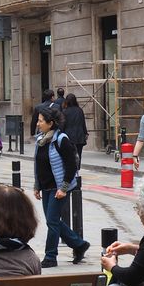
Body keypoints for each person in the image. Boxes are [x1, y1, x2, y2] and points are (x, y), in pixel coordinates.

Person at [33, 107, 90, 268]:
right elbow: (39, 165)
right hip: (46, 187)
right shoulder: (41, 140)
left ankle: (51, 256)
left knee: (52, 221)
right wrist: (37, 185)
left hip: (59, 187)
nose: (38, 124)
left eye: (40, 121)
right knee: (53, 221)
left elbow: (72, 165)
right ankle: (79, 244)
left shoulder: (61, 139)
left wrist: (64, 188)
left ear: (51, 123)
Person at [61, 94, 88, 165]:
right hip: (79, 135)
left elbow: (62, 125)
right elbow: (83, 123)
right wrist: (85, 133)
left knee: (69, 155)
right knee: (78, 154)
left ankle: (71, 170)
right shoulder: (79, 110)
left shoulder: (65, 111)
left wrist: (61, 134)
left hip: (68, 135)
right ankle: (77, 170)